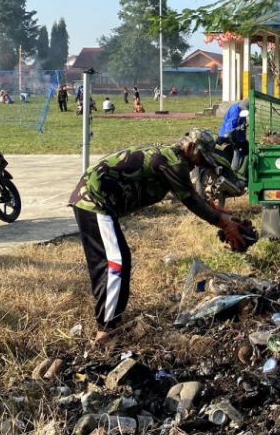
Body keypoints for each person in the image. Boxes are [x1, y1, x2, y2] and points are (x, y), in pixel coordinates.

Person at [69, 130, 254, 344]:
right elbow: (191, 202)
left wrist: (222, 215)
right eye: (202, 157)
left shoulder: (172, 159)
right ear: (192, 148)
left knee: (117, 260)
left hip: (100, 202)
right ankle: (105, 330)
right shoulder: (173, 162)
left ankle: (111, 320)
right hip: (94, 200)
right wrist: (223, 224)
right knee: (115, 262)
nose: (201, 164)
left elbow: (190, 194)